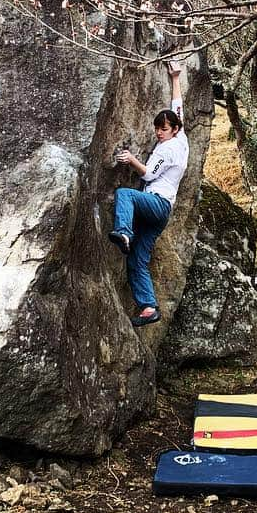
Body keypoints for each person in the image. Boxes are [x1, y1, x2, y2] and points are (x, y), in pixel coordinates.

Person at [108, 60, 189, 327]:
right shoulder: (182, 137)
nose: (159, 133)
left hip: (156, 204)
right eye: (157, 128)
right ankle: (148, 307)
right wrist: (175, 78)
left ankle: (124, 232)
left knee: (125, 194)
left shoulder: (168, 149)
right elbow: (178, 107)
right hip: (160, 213)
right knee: (137, 261)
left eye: (163, 129)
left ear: (173, 130)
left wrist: (130, 159)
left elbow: (149, 174)